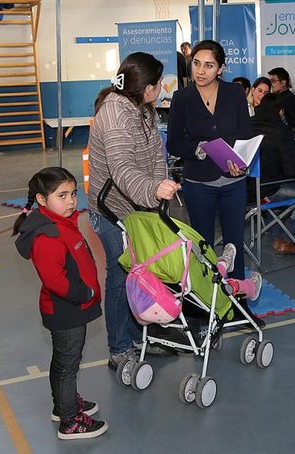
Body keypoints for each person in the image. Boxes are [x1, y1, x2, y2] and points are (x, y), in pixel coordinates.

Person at [87, 52, 181, 370]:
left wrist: (156, 190)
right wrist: (152, 189)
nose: (162, 88)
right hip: (110, 211)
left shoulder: (142, 108)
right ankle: (119, 348)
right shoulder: (115, 114)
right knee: (120, 274)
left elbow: (155, 154)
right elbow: (122, 169)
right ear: (147, 87)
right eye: (159, 83)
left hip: (136, 207)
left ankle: (139, 337)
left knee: (141, 272)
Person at [166, 40, 263, 326]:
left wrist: (241, 160)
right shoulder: (182, 98)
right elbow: (173, 142)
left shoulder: (234, 93)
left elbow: (246, 133)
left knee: (234, 244)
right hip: (199, 181)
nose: (200, 71)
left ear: (221, 68)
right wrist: (198, 148)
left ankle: (239, 306)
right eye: (196, 64)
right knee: (202, 247)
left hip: (233, 181)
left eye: (209, 65)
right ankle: (204, 309)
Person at [14, 167, 108, 440]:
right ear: (42, 200)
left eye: (73, 194)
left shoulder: (61, 223)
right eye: (62, 195)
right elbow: (55, 280)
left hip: (70, 307)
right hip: (67, 309)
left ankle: (63, 405)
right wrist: (85, 294)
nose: (71, 201)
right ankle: (70, 422)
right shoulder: (47, 236)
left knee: (64, 361)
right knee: (68, 365)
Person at [250, 93, 295, 255]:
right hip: (266, 190)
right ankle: (289, 239)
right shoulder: (281, 130)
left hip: (243, 189)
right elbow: (291, 171)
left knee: (279, 189)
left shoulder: (246, 124)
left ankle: (276, 235)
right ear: (280, 111)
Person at [268, 67, 295, 132]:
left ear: (283, 83)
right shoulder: (281, 98)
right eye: (269, 81)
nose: (270, 84)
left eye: (273, 81)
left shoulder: (289, 99)